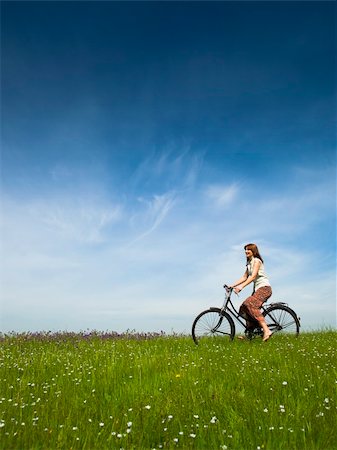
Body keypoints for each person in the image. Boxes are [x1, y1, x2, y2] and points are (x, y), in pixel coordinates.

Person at [230, 243, 272, 342]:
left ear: (253, 251)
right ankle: (250, 333)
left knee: (250, 304)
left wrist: (241, 287)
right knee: (244, 308)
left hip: (264, 288)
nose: (246, 251)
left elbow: (253, 276)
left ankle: (267, 330)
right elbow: (244, 277)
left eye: (248, 249)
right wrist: (232, 285)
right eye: (245, 250)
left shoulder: (257, 261)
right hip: (258, 289)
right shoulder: (249, 263)